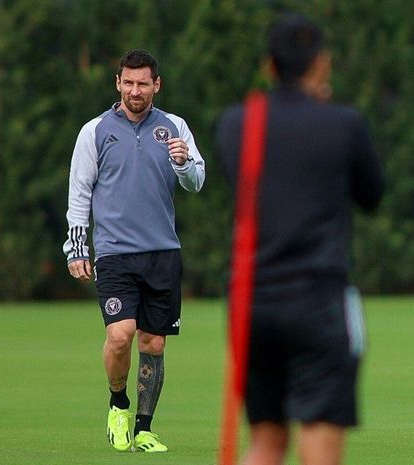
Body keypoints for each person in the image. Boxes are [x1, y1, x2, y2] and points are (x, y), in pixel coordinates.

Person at [216, 14, 384, 465]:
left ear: (269, 65)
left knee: (266, 443)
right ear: (322, 64)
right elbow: (372, 195)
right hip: (317, 301)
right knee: (319, 439)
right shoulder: (344, 125)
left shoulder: (236, 124)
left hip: (252, 301)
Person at [63, 49, 205, 452]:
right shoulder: (95, 131)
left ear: (156, 85)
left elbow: (196, 180)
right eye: (129, 82)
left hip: (162, 251)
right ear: (118, 83)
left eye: (143, 83)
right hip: (113, 253)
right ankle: (117, 403)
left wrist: (182, 163)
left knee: (153, 344)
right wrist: (76, 247)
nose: (135, 90)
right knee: (121, 335)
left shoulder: (174, 127)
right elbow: (80, 192)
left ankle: (143, 428)